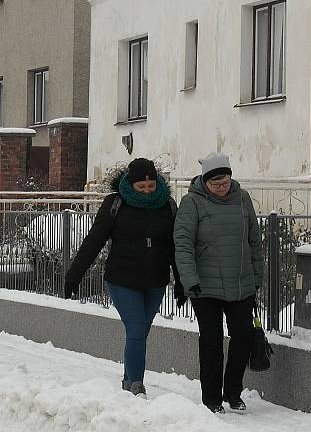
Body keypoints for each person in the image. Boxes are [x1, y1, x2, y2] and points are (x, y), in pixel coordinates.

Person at [64, 158, 186, 397]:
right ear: (131, 185)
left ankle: (128, 381)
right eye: (141, 187)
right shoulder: (115, 203)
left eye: (151, 187)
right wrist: (74, 275)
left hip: (155, 280)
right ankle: (136, 386)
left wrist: (181, 282)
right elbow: (94, 240)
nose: (147, 191)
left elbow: (175, 246)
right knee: (136, 328)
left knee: (141, 332)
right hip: (123, 279)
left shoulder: (167, 205)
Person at [173, 152, 263, 414]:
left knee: (243, 337)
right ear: (205, 182)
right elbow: (183, 244)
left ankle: (233, 392)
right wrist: (189, 280)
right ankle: (211, 398)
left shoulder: (242, 199)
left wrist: (257, 275)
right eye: (216, 184)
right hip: (205, 286)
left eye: (225, 182)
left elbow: (254, 240)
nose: (222, 188)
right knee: (211, 341)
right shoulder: (192, 203)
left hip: (241, 283)